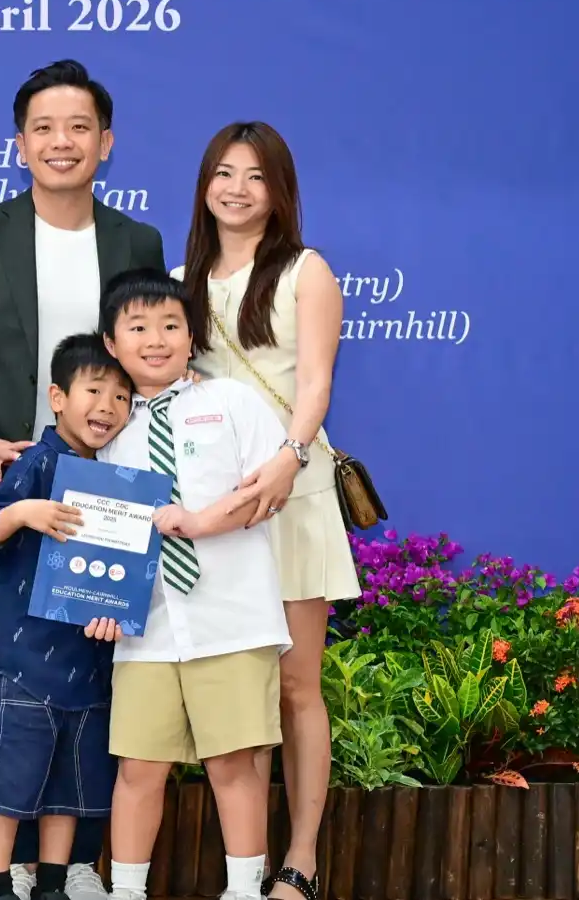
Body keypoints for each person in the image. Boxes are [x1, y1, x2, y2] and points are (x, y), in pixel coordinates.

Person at [0, 59, 164, 898]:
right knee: (14, 681)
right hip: (4, 491)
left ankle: (70, 865)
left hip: (109, 498)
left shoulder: (137, 242)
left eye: (79, 128)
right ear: (20, 144)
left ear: (106, 142)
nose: (62, 142)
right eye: (44, 129)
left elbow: (153, 363)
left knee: (96, 682)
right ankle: (10, 864)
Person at [174, 121, 362, 900]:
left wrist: (287, 457)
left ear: (279, 191)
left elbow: (316, 381)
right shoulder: (181, 279)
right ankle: (243, 871)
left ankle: (302, 859)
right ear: (204, 185)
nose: (237, 189)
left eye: (255, 176)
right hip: (218, 513)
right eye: (224, 173)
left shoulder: (305, 272)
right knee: (238, 692)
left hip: (293, 495)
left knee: (294, 687)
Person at [96, 268, 294, 900]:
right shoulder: (107, 428)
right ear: (111, 343)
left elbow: (267, 493)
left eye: (171, 325)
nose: (156, 340)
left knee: (233, 764)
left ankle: (244, 890)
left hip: (230, 618)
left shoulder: (232, 401)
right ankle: (127, 892)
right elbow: (100, 532)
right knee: (138, 767)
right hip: (146, 629)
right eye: (137, 328)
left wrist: (201, 523)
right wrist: (100, 603)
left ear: (192, 335)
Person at [0, 334, 133, 900]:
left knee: (69, 783)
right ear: (58, 398)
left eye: (122, 397)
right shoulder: (36, 462)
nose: (107, 407)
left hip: (87, 661)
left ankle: (53, 884)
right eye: (94, 391)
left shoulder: (118, 481)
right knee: (8, 779)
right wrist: (22, 511)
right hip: (27, 659)